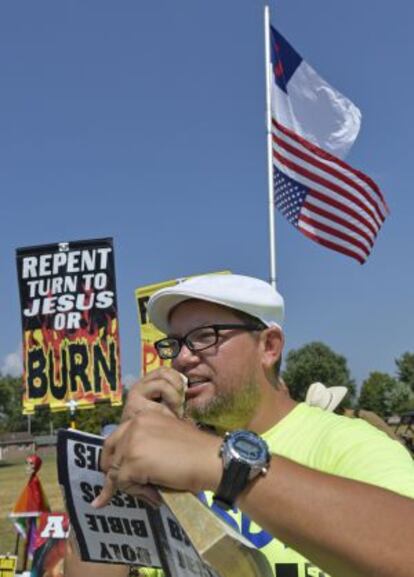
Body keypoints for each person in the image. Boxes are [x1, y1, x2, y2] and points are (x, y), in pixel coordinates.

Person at [67, 274, 414, 577]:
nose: (183, 358)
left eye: (205, 336)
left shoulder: (347, 444)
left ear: (269, 347)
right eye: (174, 344)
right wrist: (119, 463)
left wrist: (219, 463)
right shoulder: (156, 461)